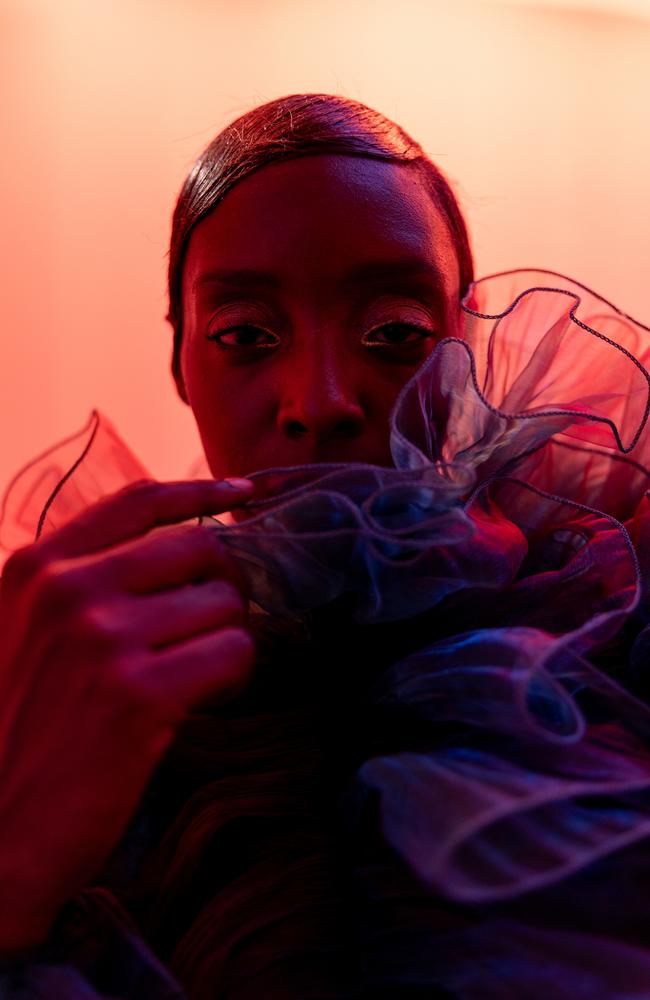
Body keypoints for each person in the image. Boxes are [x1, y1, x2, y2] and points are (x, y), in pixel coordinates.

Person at [1, 92, 650, 999]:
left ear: (468, 345)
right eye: (245, 336)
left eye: (396, 335)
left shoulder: (608, 632)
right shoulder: (71, 694)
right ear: (180, 361)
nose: (321, 398)